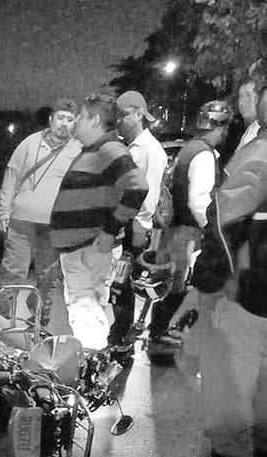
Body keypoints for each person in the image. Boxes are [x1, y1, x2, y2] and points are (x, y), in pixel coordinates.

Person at [165, 82, 267, 457]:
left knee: (228, 407)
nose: (244, 103)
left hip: (247, 300)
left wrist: (203, 290)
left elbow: (223, 225)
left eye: (253, 92)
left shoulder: (259, 152)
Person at [48, 93, 148, 351]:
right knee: (84, 309)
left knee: (86, 311)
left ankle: (89, 362)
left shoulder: (109, 149)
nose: (76, 122)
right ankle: (90, 359)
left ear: (94, 120)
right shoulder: (96, 151)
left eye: (81, 117)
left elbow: (138, 187)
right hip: (81, 247)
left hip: (88, 248)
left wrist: (110, 229)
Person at [147, 100, 234, 355]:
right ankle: (162, 330)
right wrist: (212, 229)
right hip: (186, 229)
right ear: (221, 127)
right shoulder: (204, 154)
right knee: (177, 279)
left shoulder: (189, 148)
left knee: (168, 278)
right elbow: (199, 199)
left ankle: (159, 329)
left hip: (174, 227)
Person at [0, 98, 81, 326]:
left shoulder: (77, 150)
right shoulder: (30, 143)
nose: (64, 124)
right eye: (60, 118)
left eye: (70, 120)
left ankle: (39, 321)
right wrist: (4, 211)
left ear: (75, 123)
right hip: (22, 221)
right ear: (51, 119)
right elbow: (11, 175)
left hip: (55, 226)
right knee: (12, 271)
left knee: (48, 277)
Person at [107, 91, 168, 355]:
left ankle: (121, 337)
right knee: (116, 283)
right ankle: (119, 331)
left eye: (124, 115)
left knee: (122, 284)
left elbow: (148, 198)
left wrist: (137, 233)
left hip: (133, 228)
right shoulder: (127, 147)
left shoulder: (150, 151)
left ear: (139, 114)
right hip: (120, 224)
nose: (118, 121)